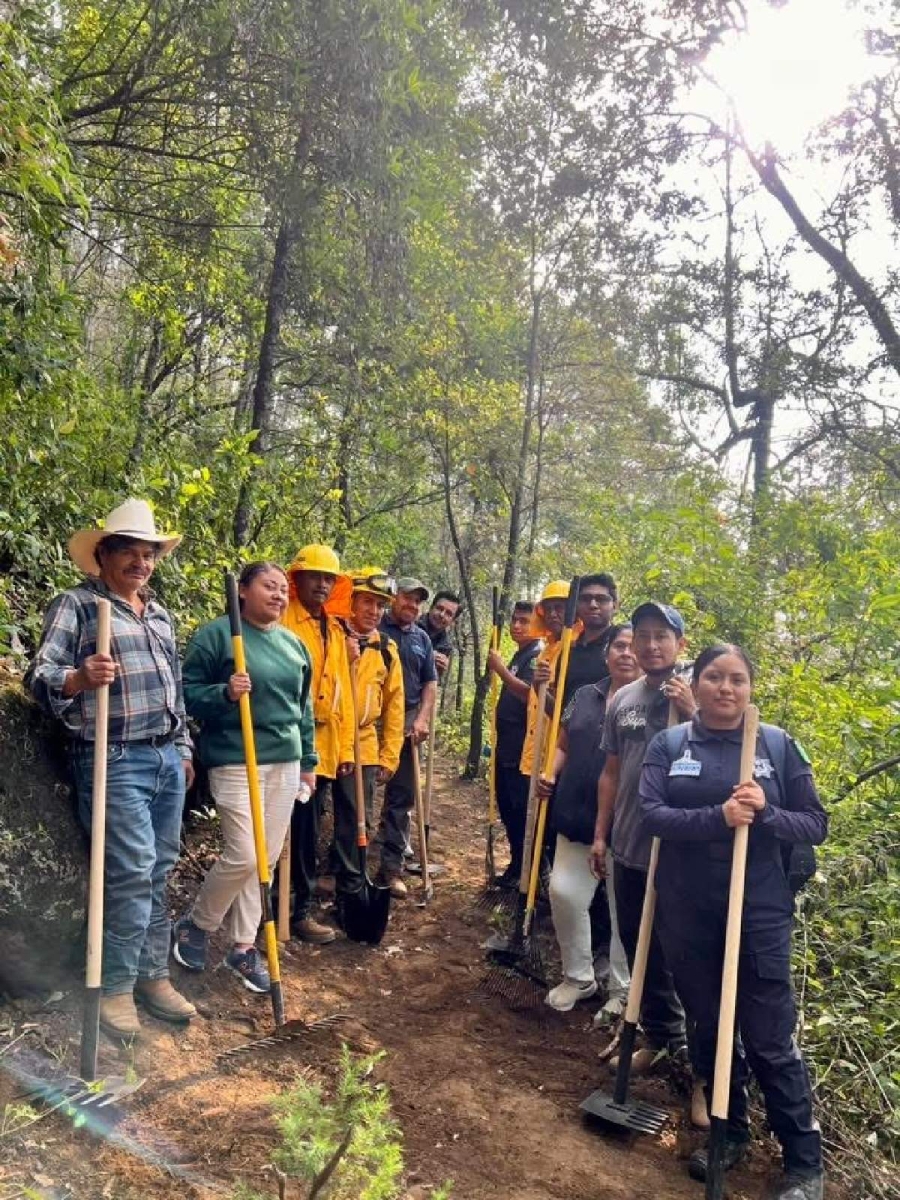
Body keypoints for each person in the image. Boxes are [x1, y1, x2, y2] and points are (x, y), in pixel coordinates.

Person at [641, 644, 827, 1200]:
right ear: (695, 684)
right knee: (709, 1026)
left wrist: (766, 811)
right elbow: (652, 814)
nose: (726, 688)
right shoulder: (671, 744)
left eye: (738, 679)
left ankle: (804, 1162)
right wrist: (717, 816)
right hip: (687, 910)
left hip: (759, 911)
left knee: (770, 1038)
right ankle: (729, 1132)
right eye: (715, 677)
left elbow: (815, 824)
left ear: (750, 688)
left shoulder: (774, 745)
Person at [26, 499, 196, 1036]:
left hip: (166, 755)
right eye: (129, 551)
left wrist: (184, 748)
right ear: (103, 554)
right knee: (130, 869)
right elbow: (40, 675)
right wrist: (77, 678)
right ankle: (116, 985)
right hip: (113, 756)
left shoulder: (160, 614)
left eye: (148, 554)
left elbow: (176, 691)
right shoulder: (78, 606)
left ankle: (152, 974)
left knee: (161, 865)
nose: (140, 563)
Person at [173, 563, 318, 993]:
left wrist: (308, 763)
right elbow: (183, 694)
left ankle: (241, 946)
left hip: (285, 762)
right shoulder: (218, 636)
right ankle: (196, 925)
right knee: (244, 855)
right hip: (236, 758)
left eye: (282, 589)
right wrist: (225, 693)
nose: (278, 595)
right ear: (243, 592)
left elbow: (303, 710)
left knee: (266, 861)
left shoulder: (294, 645)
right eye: (268, 587)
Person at [589, 602, 694, 1070]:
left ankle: (698, 1056)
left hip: (678, 854)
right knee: (634, 942)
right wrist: (600, 835)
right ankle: (656, 1035)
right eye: (643, 635)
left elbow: (731, 760)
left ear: (680, 644)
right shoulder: (624, 699)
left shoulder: (701, 698)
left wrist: (693, 713)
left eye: (662, 636)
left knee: (680, 953)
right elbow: (610, 772)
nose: (651, 645)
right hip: (629, 845)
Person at [541, 624, 639, 1013]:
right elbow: (564, 743)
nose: (627, 653)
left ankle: (622, 991)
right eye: (619, 646)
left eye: (633, 647)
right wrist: (550, 772)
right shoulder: (584, 696)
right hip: (575, 814)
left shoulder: (651, 703)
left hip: (625, 825)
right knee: (563, 892)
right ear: (607, 653)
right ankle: (578, 977)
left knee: (621, 908)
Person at [282, 543, 355, 944]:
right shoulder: (283, 620)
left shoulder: (335, 628)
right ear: (298, 578)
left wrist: (343, 750)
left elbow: (341, 693)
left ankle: (298, 910)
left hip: (321, 748)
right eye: (316, 577)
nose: (322, 585)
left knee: (308, 832)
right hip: (284, 742)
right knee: (282, 829)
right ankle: (272, 909)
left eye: (329, 579)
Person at [333, 568, 405, 901]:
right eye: (367, 602)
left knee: (356, 818)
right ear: (352, 601)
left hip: (363, 742)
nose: (374, 611)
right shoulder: (329, 635)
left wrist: (390, 755)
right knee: (309, 813)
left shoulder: (386, 649)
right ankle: (301, 887)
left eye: (380, 605)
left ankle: (350, 890)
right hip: (325, 739)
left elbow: (395, 707)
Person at [378, 577, 437, 898]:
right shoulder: (375, 628)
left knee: (402, 797)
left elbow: (430, 682)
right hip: (372, 722)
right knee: (356, 793)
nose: (412, 606)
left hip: (409, 721)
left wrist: (423, 718)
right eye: (407, 598)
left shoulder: (422, 639)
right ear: (393, 598)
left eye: (417, 602)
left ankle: (391, 868)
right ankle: (344, 865)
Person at [486, 600, 542, 887]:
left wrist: (500, 671)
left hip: (523, 751)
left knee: (520, 812)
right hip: (505, 748)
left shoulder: (537, 656)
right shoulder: (521, 655)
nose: (518, 626)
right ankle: (517, 865)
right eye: (515, 620)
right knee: (507, 809)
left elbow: (530, 694)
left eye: (525, 621)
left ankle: (527, 873)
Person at [519, 580, 571, 783]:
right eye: (547, 609)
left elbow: (562, 710)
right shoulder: (546, 651)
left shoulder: (573, 649)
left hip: (560, 752)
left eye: (559, 608)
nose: (552, 614)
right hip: (538, 745)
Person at [560, 573, 620, 706]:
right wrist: (538, 685)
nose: (593, 605)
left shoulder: (622, 646)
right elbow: (563, 710)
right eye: (585, 599)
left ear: (615, 605)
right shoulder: (568, 650)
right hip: (571, 726)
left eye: (601, 599)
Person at [419, 590, 461, 679]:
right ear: (431, 608)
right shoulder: (411, 624)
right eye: (439, 608)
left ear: (452, 621)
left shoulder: (445, 647)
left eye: (448, 614)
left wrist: (439, 670)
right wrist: (429, 656)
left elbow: (431, 680)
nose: (442, 615)